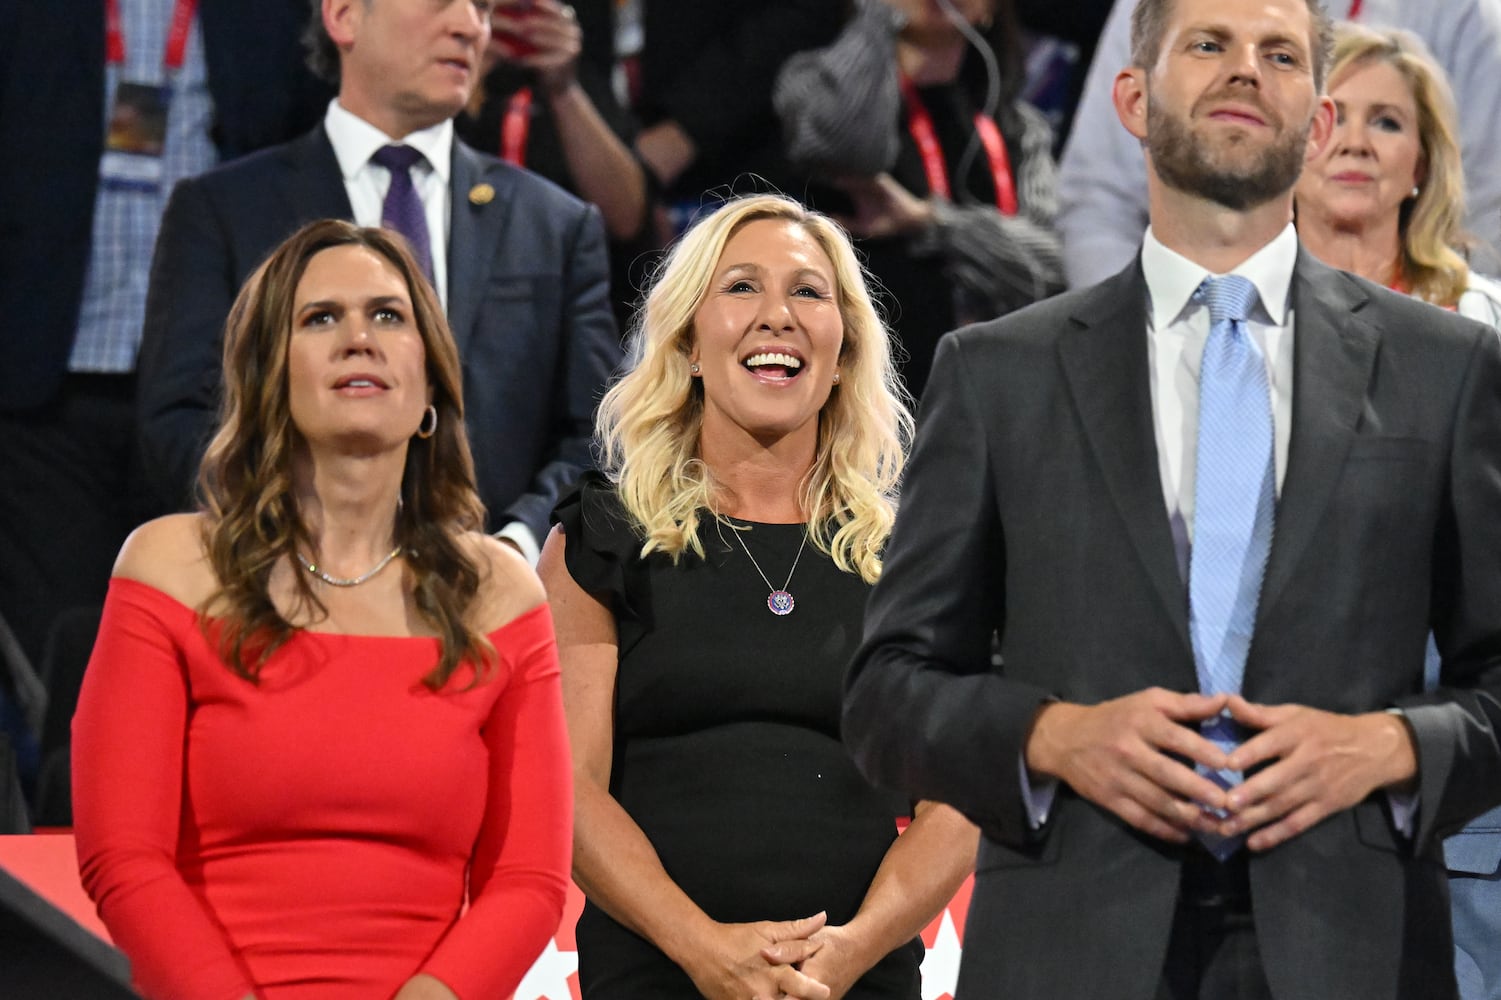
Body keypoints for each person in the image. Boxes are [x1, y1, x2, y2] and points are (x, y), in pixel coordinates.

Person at [842, 0, 1501, 996]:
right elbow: (886, 691)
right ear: (1131, 99)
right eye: (1208, 45)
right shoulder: (995, 374)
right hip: (1070, 942)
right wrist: (1051, 734)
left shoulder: (1443, 370)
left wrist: (1388, 744)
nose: (1244, 70)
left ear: (1318, 123)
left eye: (1279, 54)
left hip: (1354, 945)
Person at [72, 220, 573, 1000]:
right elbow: (122, 858)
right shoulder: (168, 568)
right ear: (271, 376)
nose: (358, 339)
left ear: (431, 384)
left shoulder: (500, 595)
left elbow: (528, 880)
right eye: (320, 318)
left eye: (388, 315)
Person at [539, 194, 976, 999]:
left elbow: (957, 805)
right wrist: (701, 948)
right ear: (690, 345)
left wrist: (846, 955)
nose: (776, 315)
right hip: (656, 972)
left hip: (853, 981)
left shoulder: (915, 553)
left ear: (842, 350)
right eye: (740, 288)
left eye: (808, 293)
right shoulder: (600, 535)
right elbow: (566, 790)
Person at [137, 0, 622, 563]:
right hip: (283, 595)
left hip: (498, 612)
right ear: (344, 16)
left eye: (483, 8)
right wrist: (300, 535)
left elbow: (599, 435)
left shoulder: (557, 226)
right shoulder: (221, 213)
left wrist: (514, 549)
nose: (471, 26)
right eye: (443, 3)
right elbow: (180, 424)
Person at [0, 0, 330, 676]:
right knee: (67, 660)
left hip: (214, 405)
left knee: (205, 658)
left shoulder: (270, 14)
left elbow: (309, 157)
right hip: (44, 389)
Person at [1291, 25, 1501, 998]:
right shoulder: (1232, 322)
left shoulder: (1482, 327)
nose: (1357, 141)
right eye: (1336, 116)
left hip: (1463, 743)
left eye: (1388, 122)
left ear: (1423, 164)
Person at [1057, 0, 1501, 288]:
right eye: (1208, 46)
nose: (1355, 144)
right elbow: (1099, 202)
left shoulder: (1464, 14)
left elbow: (1487, 214)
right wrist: (1139, 334)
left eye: (1282, 58)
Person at [775, 0, 1064, 400]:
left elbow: (1052, 269)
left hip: (996, 395)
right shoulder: (812, 82)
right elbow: (850, 148)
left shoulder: (1018, 126)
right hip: (866, 395)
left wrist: (934, 224)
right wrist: (878, 14)